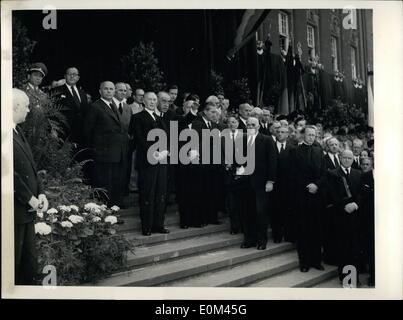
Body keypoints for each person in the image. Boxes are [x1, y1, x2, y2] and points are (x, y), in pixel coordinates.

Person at [13, 88, 49, 285]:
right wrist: (29, 198)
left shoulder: (18, 131)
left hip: (26, 212)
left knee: (28, 264)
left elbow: (31, 168)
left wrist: (41, 193)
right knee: (14, 268)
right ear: (15, 106)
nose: (28, 111)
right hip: (16, 211)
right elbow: (10, 174)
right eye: (26, 107)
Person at [130, 92, 170, 236]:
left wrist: (166, 151)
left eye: (154, 100)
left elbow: (167, 137)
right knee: (148, 193)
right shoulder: (137, 118)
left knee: (161, 193)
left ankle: (158, 224)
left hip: (162, 161)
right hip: (148, 161)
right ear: (143, 101)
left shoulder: (160, 118)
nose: (152, 102)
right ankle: (146, 226)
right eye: (150, 99)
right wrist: (154, 152)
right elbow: (139, 139)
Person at [83, 81, 128, 207]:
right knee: (105, 186)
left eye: (111, 89)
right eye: (106, 89)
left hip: (117, 154)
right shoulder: (95, 106)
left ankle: (114, 213)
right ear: (100, 91)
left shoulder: (114, 105)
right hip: (103, 155)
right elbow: (88, 131)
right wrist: (96, 151)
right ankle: (106, 215)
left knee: (115, 185)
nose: (109, 91)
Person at [324, 150, 363, 284]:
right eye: (344, 157)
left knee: (355, 249)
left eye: (349, 158)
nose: (346, 160)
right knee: (343, 249)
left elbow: (361, 194)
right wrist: (343, 206)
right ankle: (347, 279)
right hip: (340, 217)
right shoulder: (332, 173)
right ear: (340, 158)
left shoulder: (358, 174)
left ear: (353, 159)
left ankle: (355, 279)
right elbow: (331, 194)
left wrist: (356, 205)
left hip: (355, 216)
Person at [291, 125, 326, 272]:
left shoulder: (320, 152)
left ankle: (316, 261)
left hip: (316, 195)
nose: (311, 137)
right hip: (302, 195)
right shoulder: (295, 152)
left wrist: (317, 185)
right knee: (303, 229)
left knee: (316, 228)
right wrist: (308, 185)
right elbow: (294, 174)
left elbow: (324, 173)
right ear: (303, 135)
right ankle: (304, 262)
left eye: (314, 135)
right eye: (309, 134)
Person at [240, 117, 277, 250]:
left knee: (260, 213)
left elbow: (272, 162)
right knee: (246, 212)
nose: (250, 126)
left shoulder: (267, 140)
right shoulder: (242, 139)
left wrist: (270, 181)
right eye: (248, 124)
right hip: (245, 183)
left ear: (258, 126)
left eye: (253, 124)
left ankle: (262, 241)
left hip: (261, 183)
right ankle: (249, 239)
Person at [51, 67, 89, 145]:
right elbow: (52, 112)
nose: (72, 76)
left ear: (78, 78)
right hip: (63, 134)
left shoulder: (82, 93)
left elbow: (85, 113)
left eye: (74, 75)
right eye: (69, 74)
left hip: (80, 134)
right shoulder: (56, 91)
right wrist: (54, 130)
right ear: (65, 76)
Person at [271, 125, 296, 243]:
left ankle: (288, 234)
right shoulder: (270, 146)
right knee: (275, 210)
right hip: (274, 184)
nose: (280, 133)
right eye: (278, 131)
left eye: (283, 132)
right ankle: (277, 235)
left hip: (288, 185)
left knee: (288, 210)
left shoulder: (293, 148)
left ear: (287, 135)